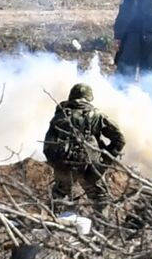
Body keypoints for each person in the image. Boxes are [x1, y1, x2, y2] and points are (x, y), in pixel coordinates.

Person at [43, 83, 125, 212]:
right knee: (100, 197)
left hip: (64, 163)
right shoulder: (97, 116)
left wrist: (56, 162)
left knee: (58, 195)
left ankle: (51, 224)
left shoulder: (60, 116)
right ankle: (102, 228)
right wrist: (106, 159)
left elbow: (48, 145)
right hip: (90, 165)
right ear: (88, 97)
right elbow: (119, 139)